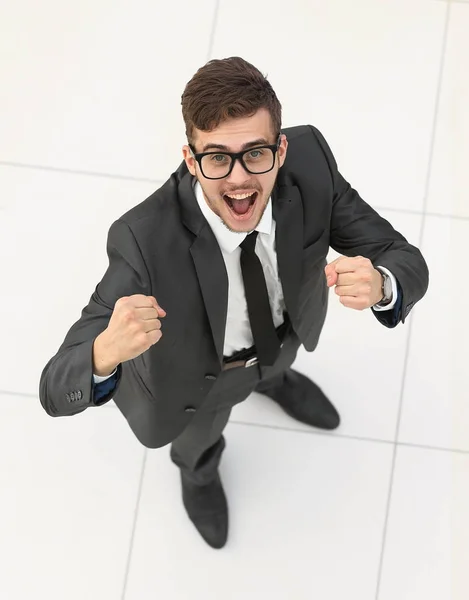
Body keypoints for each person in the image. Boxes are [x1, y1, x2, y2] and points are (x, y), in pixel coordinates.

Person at [39, 56, 429, 550]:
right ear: (190, 158)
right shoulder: (144, 239)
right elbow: (54, 387)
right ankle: (199, 475)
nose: (240, 179)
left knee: (277, 362)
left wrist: (384, 282)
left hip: (285, 336)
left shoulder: (310, 167)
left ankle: (276, 380)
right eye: (217, 157)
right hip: (205, 381)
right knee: (197, 444)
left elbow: (403, 257)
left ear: (282, 149)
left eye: (256, 154)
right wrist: (103, 353)